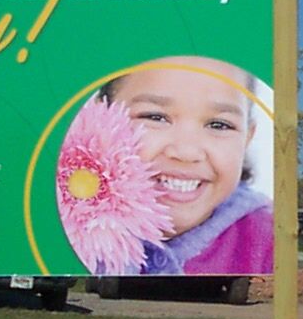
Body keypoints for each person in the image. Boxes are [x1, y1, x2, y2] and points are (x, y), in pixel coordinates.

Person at [104, 56, 273, 275]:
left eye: (219, 125)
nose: (186, 152)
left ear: (247, 139)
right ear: (101, 114)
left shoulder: (269, 241)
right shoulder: (60, 219)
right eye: (155, 117)